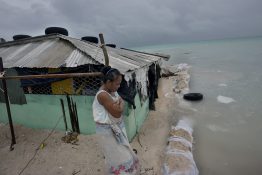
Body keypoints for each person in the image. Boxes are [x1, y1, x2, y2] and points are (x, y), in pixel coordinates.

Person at [93, 66, 140, 175]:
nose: (119, 87)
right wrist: (120, 107)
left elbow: (121, 101)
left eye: (120, 84)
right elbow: (117, 113)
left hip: (115, 128)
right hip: (108, 131)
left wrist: (120, 105)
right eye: (117, 84)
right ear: (109, 82)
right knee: (117, 155)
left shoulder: (112, 91)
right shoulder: (103, 95)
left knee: (121, 153)